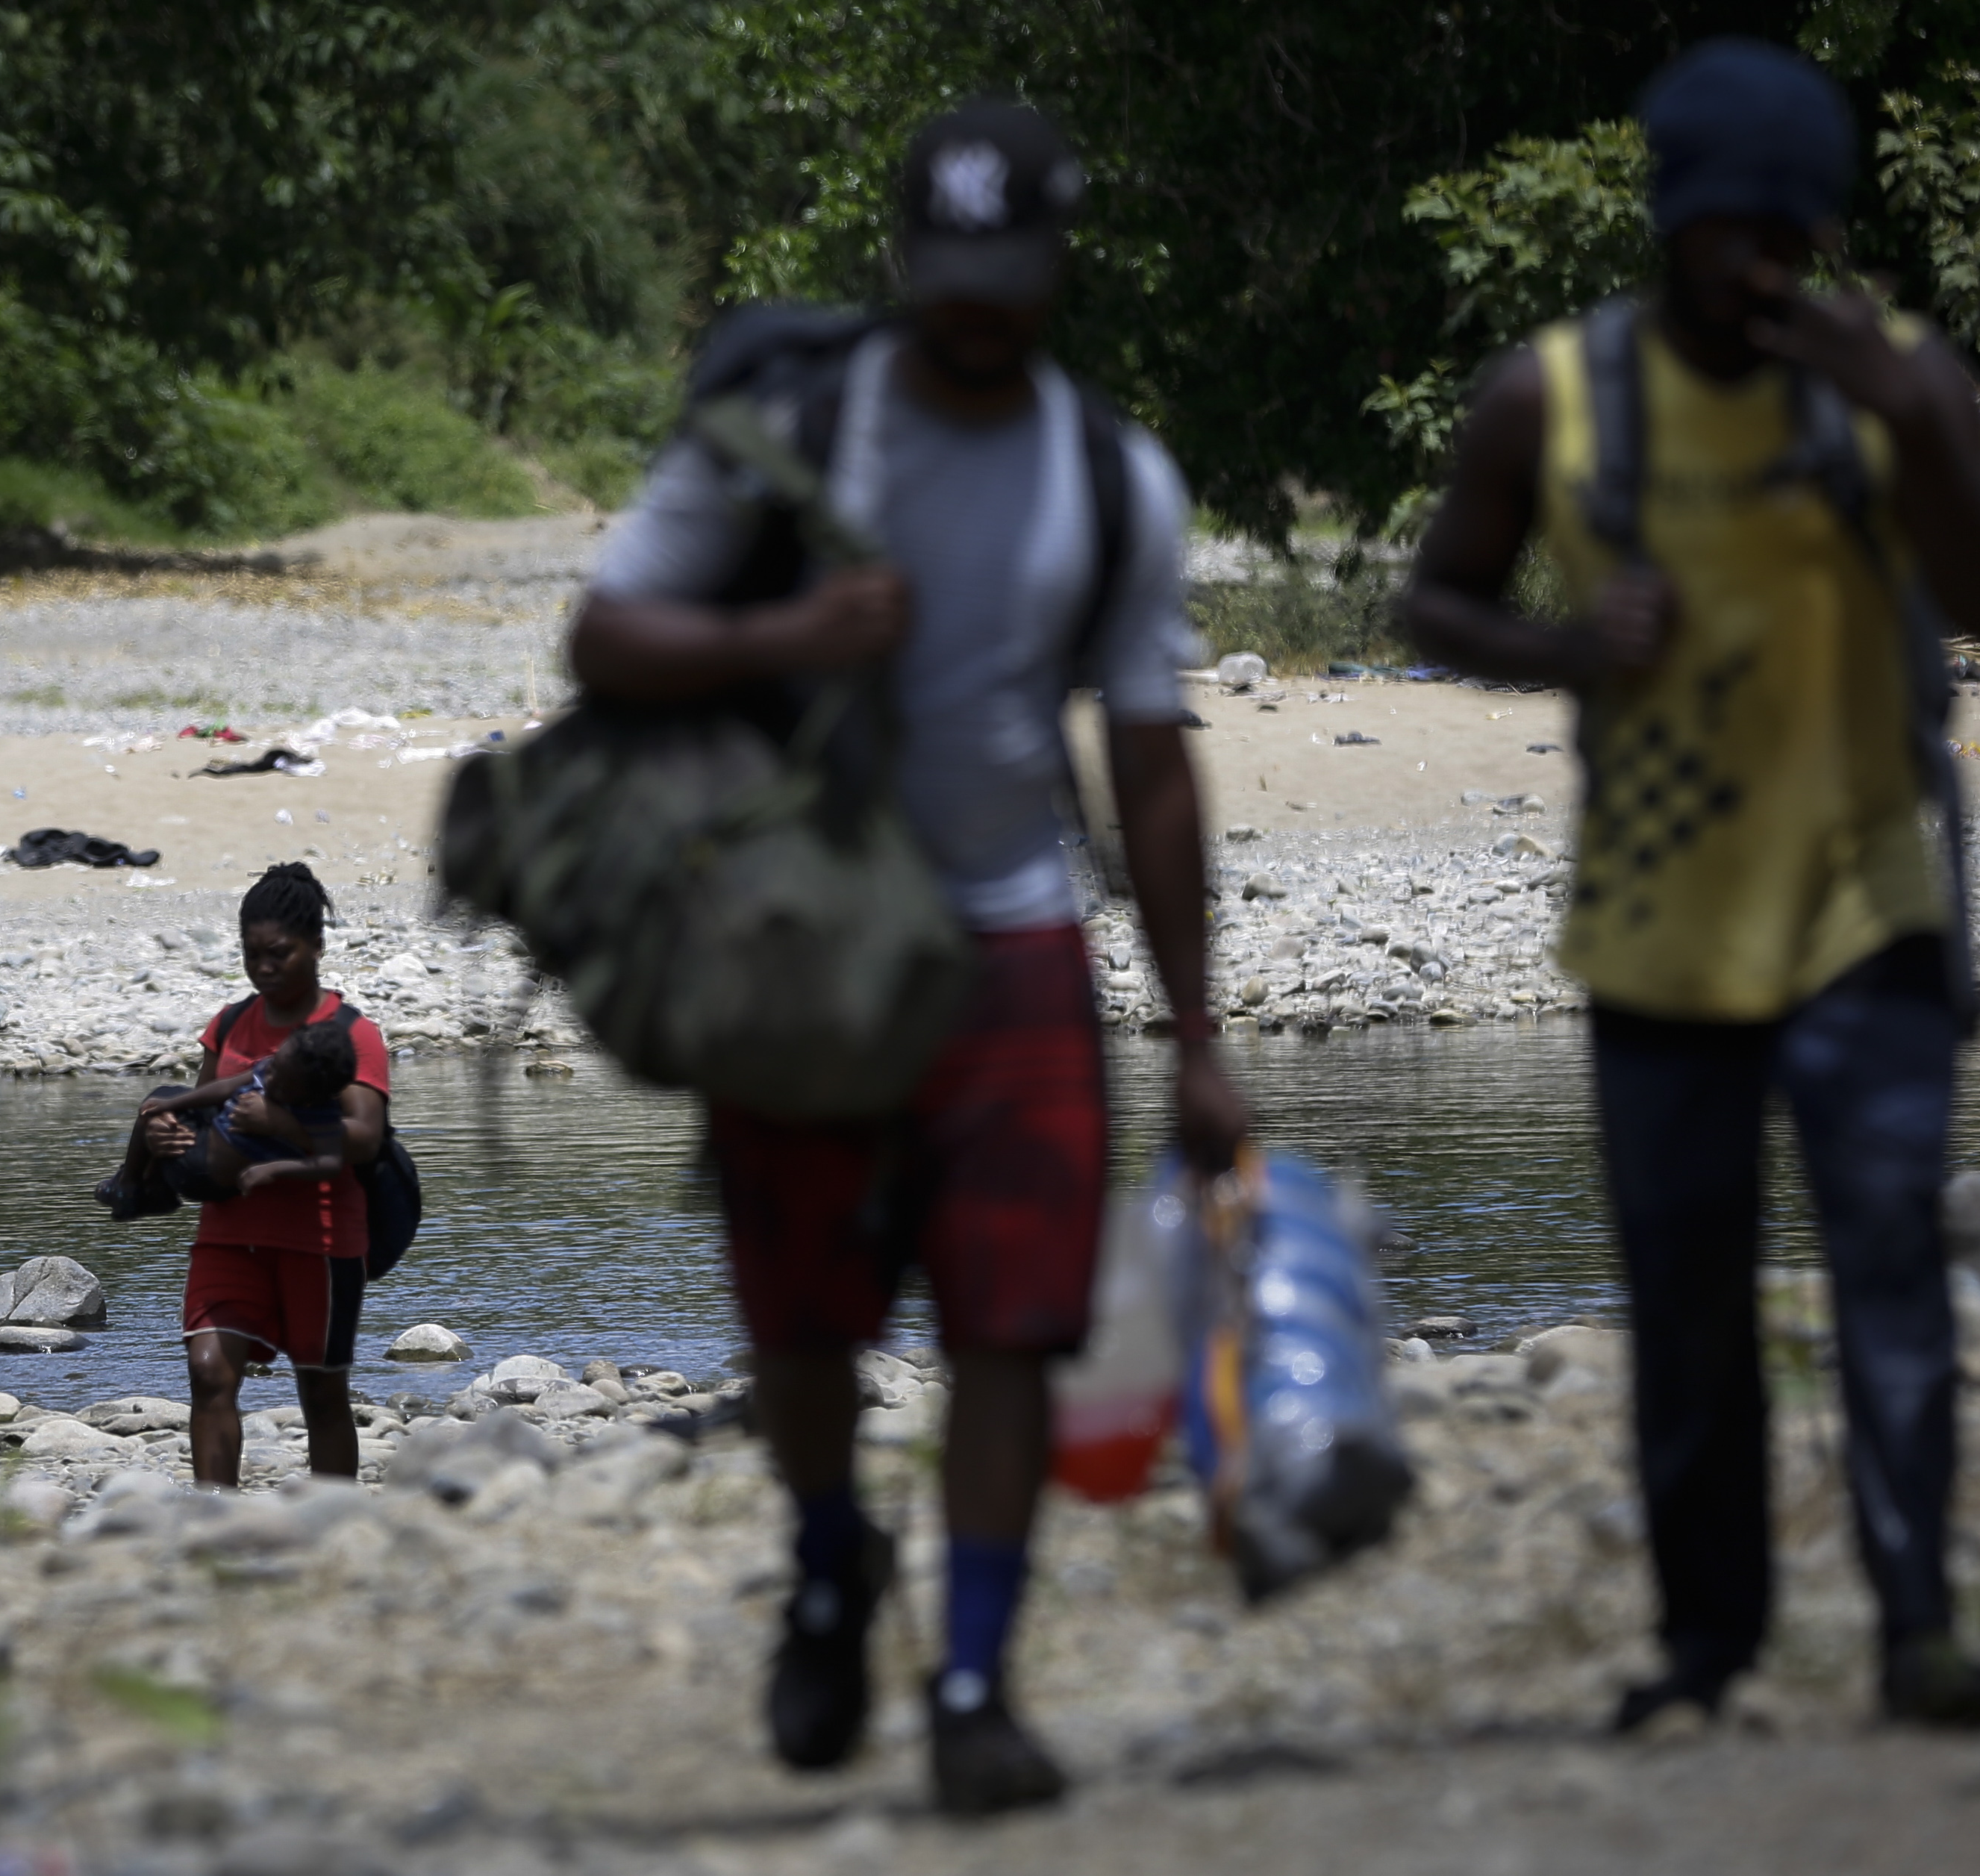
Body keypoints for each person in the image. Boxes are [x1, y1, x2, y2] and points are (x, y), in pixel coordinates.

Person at [569, 100, 1246, 1813]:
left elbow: (1151, 764)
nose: (976, 309)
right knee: (802, 1327)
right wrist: (785, 629)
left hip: (1014, 937)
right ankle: (822, 1558)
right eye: (948, 276)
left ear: (1053, 268)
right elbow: (605, 630)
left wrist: (1193, 1029)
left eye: (1006, 277)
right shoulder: (785, 421)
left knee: (1011, 1327)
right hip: (796, 946)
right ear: (903, 265)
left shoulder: (1111, 476)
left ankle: (970, 1686)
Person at [1398, 40, 1980, 1732]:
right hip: (1657, 925)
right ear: (1668, 227)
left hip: (1864, 905)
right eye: (1728, 236)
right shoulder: (1558, 396)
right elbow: (1431, 603)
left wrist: (1913, 426)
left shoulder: (1893, 379)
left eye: (1789, 239)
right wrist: (1560, 644)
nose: (1761, 271)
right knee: (1684, 1304)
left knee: (1885, 1264)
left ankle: (1915, 1632)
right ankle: (1704, 1647)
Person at [132, 863, 392, 1488]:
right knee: (209, 1372)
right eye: (252, 955)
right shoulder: (228, 1025)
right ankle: (211, 1517)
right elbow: (203, 1114)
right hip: (229, 1229)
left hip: (320, 1241)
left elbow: (364, 1138)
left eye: (279, 954)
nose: (264, 968)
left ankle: (333, 1525)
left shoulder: (351, 1035)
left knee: (320, 1391)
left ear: (317, 948)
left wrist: (280, 1122)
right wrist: (166, 1136)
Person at [96, 1014, 366, 1210]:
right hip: (210, 1137)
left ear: (311, 1097)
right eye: (272, 1069)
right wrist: (171, 1106)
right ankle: (143, 1185)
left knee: (159, 1110)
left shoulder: (319, 1113)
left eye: (282, 1085)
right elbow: (225, 1086)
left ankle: (130, 1187)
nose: (269, 1079)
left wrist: (275, 1168)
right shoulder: (278, 1067)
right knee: (163, 1098)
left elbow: (329, 1163)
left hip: (204, 1173)